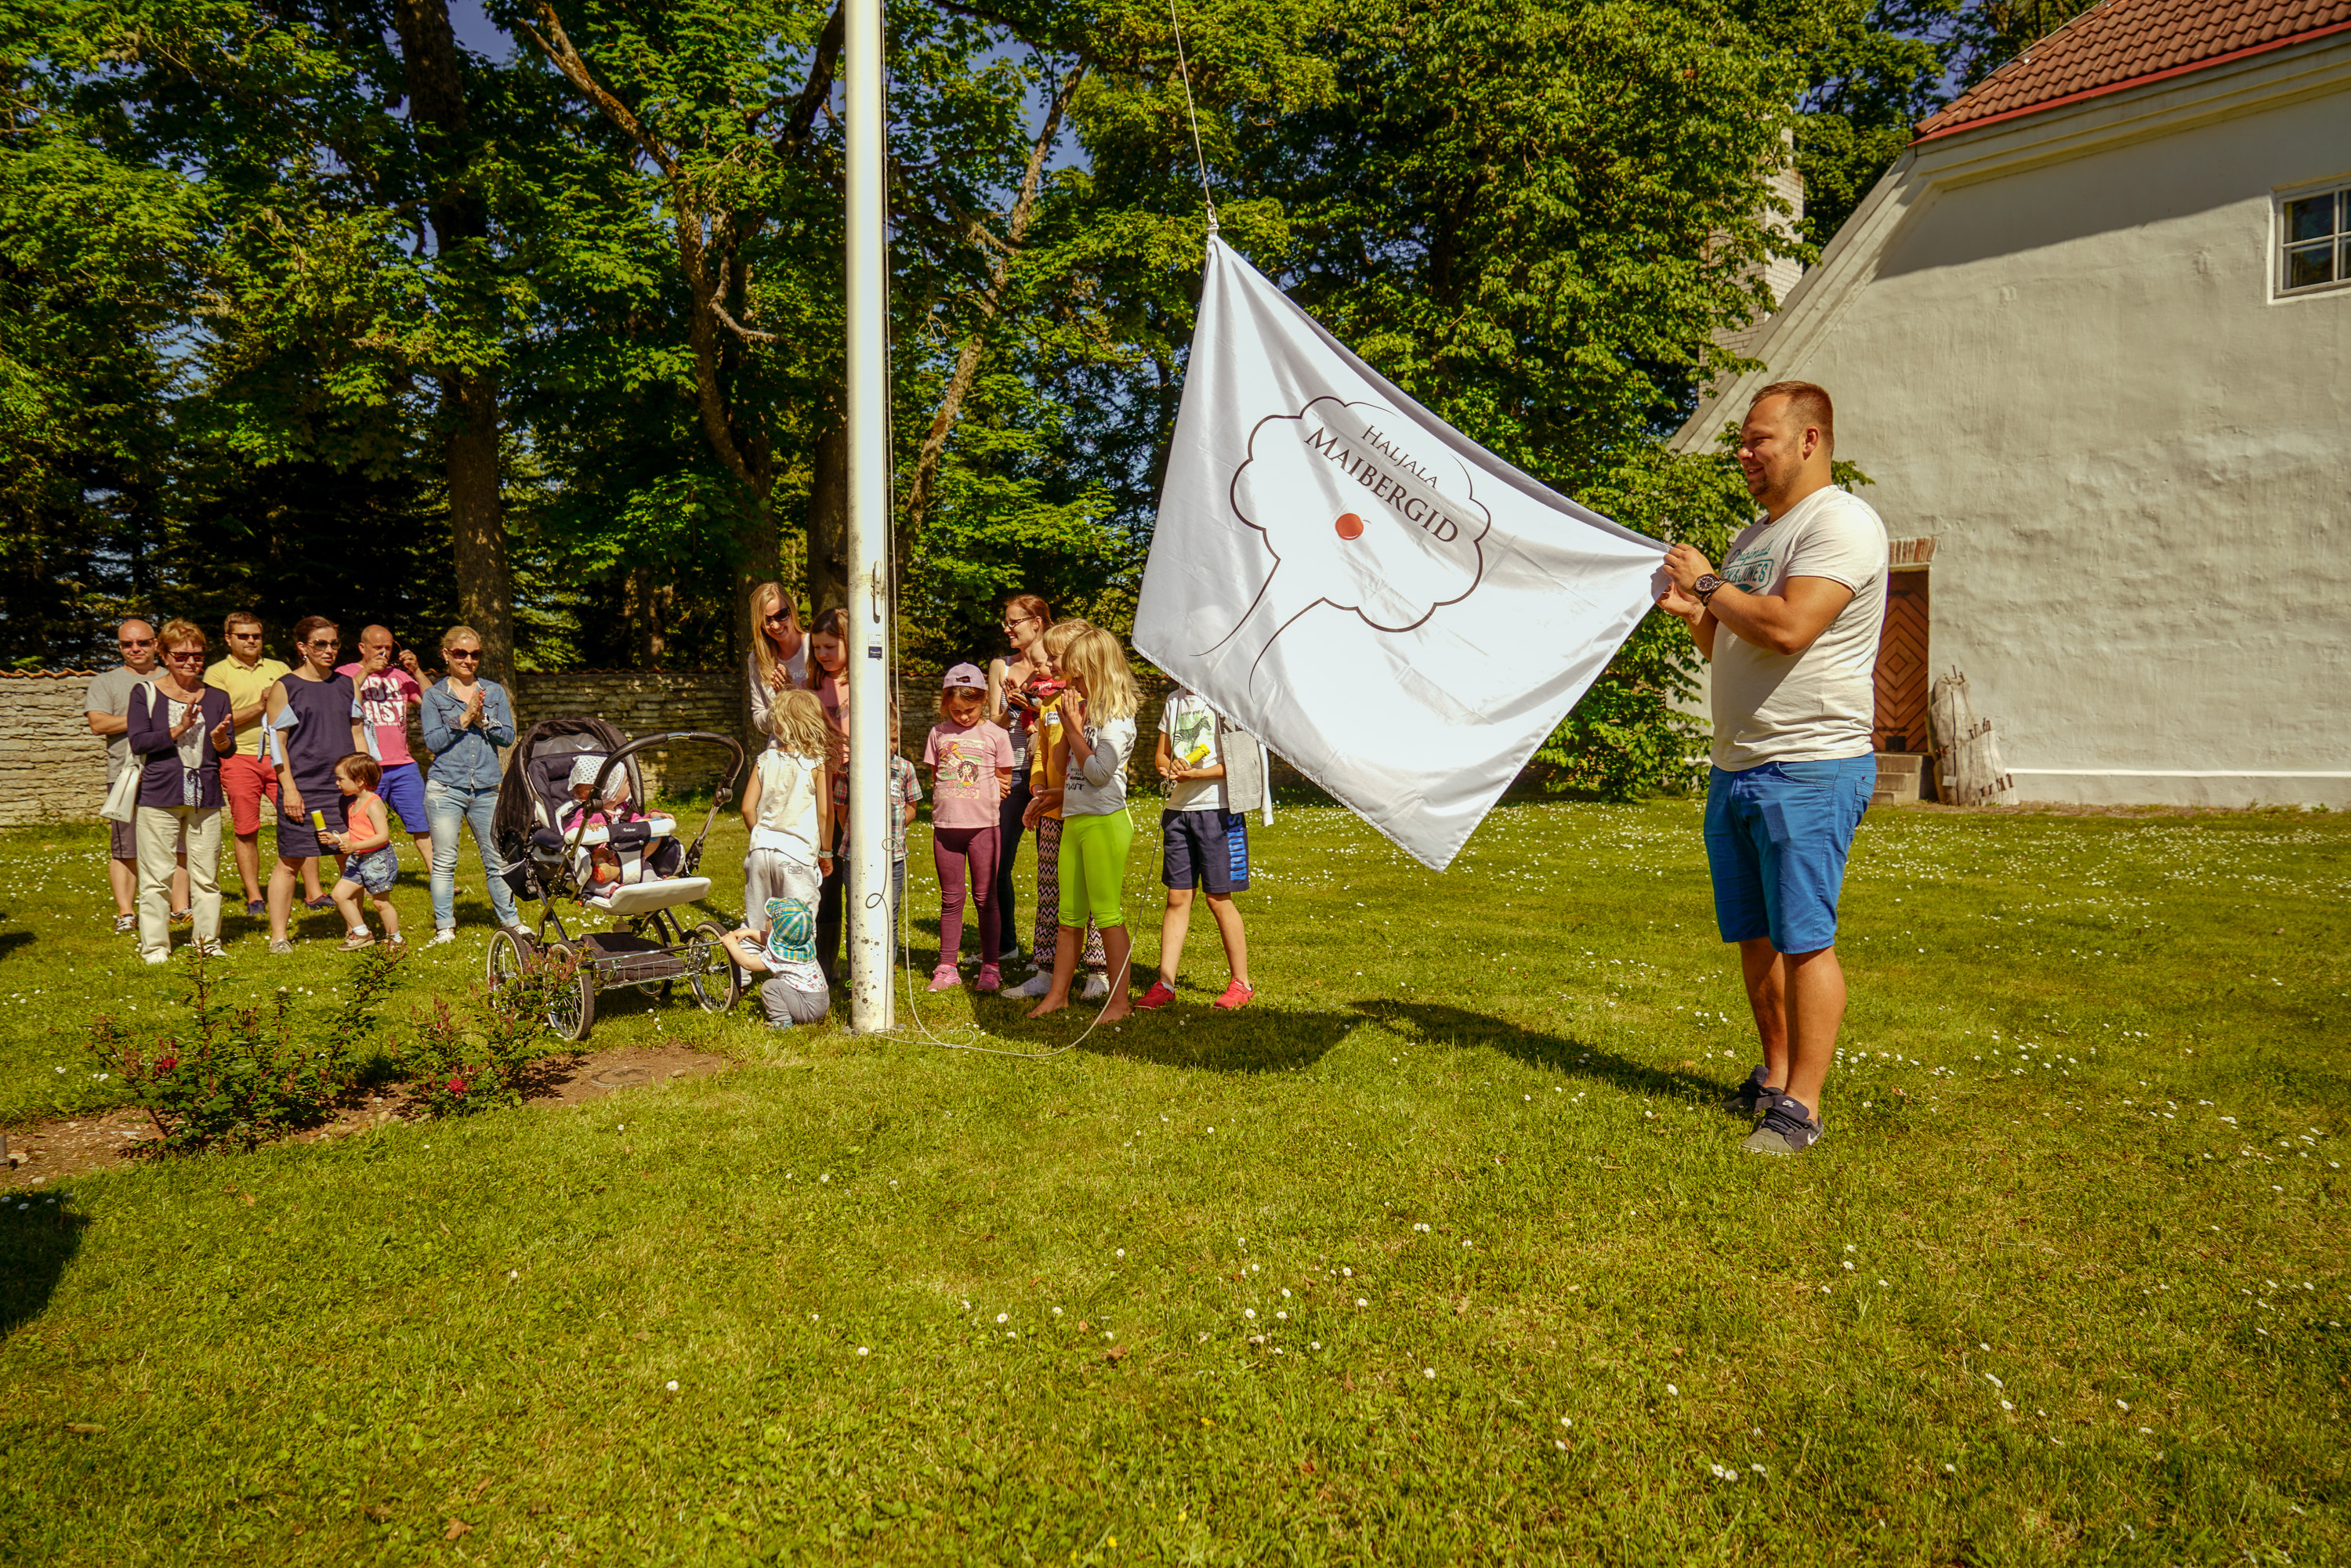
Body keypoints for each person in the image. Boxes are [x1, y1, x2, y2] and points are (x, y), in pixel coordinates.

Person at [1656, 380, 1888, 1156]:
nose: (1744, 454)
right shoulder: (1754, 537)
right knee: (1755, 934)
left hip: (1809, 763)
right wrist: (1700, 614)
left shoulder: (1840, 522)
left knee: (1803, 937)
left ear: (1809, 440)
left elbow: (1789, 628)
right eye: (1742, 442)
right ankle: (1776, 1077)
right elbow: (1733, 644)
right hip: (1739, 764)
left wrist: (1708, 584)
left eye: (1758, 440)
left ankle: (1803, 1108)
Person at [1024, 626, 1139, 1021]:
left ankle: (1119, 1003)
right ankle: (1058, 995)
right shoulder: (1084, 712)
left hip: (1105, 824)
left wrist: (1074, 727)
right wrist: (1066, 725)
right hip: (1075, 820)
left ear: (1097, 672)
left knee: (1106, 916)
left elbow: (1099, 773)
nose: (1071, 685)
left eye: (1077, 677)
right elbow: (1062, 766)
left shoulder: (1118, 719)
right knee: (1068, 917)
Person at [1138, 685, 1262, 1011]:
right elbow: (1161, 754)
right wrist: (1168, 767)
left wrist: (1198, 774)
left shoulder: (1228, 696)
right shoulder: (1174, 700)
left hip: (1218, 811)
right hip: (1178, 812)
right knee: (1177, 897)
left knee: (1218, 898)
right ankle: (1165, 983)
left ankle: (1242, 983)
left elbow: (1243, 761)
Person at [123, 621, 235, 963]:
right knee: (157, 877)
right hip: (160, 793)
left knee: (207, 877)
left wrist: (220, 741)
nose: (191, 662)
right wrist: (179, 728)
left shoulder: (217, 696)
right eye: (182, 655)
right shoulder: (145, 692)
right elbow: (140, 742)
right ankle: (156, 947)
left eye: (197, 656)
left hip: (205, 796)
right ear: (165, 655)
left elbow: (227, 750)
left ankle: (207, 943)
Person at [1009, 620, 1108, 1001]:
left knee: (1094, 895)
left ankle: (1097, 971)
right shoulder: (1049, 705)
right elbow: (1041, 753)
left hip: (1086, 814)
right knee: (1050, 890)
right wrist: (1037, 786)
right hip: (1052, 814)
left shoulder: (1098, 708)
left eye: (1054, 657)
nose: (1047, 664)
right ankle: (1046, 969)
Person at [205, 613, 321, 918]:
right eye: (243, 636)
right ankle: (255, 897)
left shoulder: (279, 668)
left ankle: (314, 892)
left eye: (255, 636)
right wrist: (261, 704)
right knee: (246, 829)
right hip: (239, 757)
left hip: (283, 756)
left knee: (301, 820)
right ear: (228, 639)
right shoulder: (216, 674)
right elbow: (218, 720)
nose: (251, 641)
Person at [418, 625, 526, 944]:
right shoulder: (435, 695)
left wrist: (484, 720)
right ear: (446, 654)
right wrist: (464, 718)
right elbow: (433, 742)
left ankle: (512, 922)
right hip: (445, 788)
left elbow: (508, 737)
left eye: (475, 654)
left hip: (487, 787)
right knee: (444, 861)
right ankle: (445, 927)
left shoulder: (493, 692)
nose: (468, 660)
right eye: (461, 653)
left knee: (497, 859)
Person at [262, 616, 358, 954]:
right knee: (291, 861)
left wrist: (363, 783)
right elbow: (278, 744)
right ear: (302, 647)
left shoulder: (348, 684)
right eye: (321, 644)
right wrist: (289, 788)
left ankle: (356, 929)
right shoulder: (286, 687)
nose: (329, 650)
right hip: (302, 787)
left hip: (344, 789)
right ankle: (279, 937)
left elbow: (358, 734)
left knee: (350, 859)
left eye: (334, 643)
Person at [85, 618, 187, 934]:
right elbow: (98, 724)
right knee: (125, 848)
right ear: (119, 647)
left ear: (156, 644)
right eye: (127, 644)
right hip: (126, 774)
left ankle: (180, 908)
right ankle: (126, 913)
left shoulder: (174, 676)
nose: (135, 649)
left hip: (171, 771)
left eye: (143, 642)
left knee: (177, 844)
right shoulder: (106, 682)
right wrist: (145, 716)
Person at [922, 664, 1015, 992]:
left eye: (970, 710)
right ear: (946, 703)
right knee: (951, 899)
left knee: (986, 898)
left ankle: (991, 966)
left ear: (984, 700)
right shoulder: (938, 734)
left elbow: (1004, 778)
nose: (963, 717)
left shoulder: (996, 735)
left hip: (983, 828)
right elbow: (936, 776)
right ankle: (947, 966)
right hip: (946, 829)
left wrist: (989, 792)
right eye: (956, 710)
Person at [984, 594, 1050, 969]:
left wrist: (1034, 708)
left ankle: (1048, 951)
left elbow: (1063, 715)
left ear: (1036, 623)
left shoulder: (1057, 662)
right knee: (997, 863)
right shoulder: (1001, 666)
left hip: (1047, 774)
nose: (1007, 628)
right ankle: (1005, 944)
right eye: (1006, 622)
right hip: (1008, 775)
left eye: (1014, 622)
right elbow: (993, 724)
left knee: (1051, 867)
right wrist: (1012, 708)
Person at [336, 625, 434, 870]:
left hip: (403, 765)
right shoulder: (345, 673)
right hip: (365, 767)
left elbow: (433, 702)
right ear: (362, 648)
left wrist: (416, 671)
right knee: (362, 825)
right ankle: (362, 877)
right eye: (377, 647)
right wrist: (367, 671)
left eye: (388, 648)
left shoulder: (400, 676)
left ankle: (439, 878)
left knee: (422, 823)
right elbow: (341, 699)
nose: (383, 653)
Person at [740, 689, 834, 917]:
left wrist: (762, 835)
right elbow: (825, 813)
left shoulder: (765, 759)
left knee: (759, 921)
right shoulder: (818, 763)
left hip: (760, 853)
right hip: (796, 856)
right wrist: (826, 852)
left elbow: (747, 808)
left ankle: (750, 942)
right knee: (798, 925)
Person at [804, 607, 853, 981]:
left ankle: (864, 959)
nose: (823, 654)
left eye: (830, 646)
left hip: (858, 788)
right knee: (829, 877)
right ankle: (826, 963)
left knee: (859, 876)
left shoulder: (867, 683)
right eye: (817, 647)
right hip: (823, 790)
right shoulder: (811, 686)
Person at [321, 754, 401, 950]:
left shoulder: (374, 804)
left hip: (378, 860)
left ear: (359, 781)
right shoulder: (353, 805)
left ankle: (395, 939)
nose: (337, 783)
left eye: (340, 779)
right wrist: (338, 838)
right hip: (359, 860)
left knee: (380, 904)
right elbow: (358, 833)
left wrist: (354, 847)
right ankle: (362, 933)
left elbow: (382, 836)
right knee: (339, 895)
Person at [721, 896, 831, 1031]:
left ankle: (782, 1024)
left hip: (807, 1008)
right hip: (821, 1002)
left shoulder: (779, 957)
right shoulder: (803, 942)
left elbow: (748, 963)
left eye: (769, 919)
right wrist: (749, 932)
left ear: (775, 929)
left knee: (771, 987)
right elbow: (770, 940)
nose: (766, 921)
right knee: (777, 986)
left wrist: (731, 944)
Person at [744, 581, 810, 743]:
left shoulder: (816, 648)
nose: (775, 625)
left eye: (781, 615)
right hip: (780, 749)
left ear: (792, 610)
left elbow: (832, 707)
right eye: (767, 620)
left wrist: (792, 695)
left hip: (816, 747)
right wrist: (780, 704)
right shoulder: (757, 659)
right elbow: (759, 720)